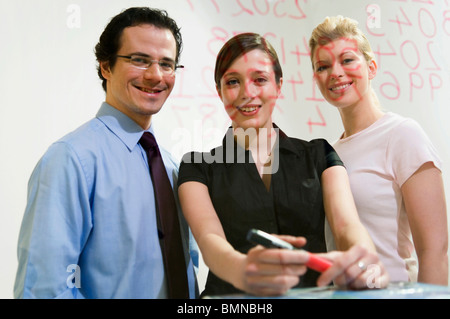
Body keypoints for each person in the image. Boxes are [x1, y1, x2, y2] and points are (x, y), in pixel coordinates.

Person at [177, 32, 389, 297]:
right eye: (233, 81)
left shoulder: (319, 153)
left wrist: (364, 260)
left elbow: (347, 226)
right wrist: (242, 269)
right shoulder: (197, 167)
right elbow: (210, 240)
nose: (247, 93)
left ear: (278, 85)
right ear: (219, 92)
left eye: (260, 79)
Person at [14, 7, 197, 299]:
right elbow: (46, 289)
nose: (155, 75)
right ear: (105, 66)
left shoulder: (172, 167)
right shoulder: (71, 159)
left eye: (167, 63)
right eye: (139, 60)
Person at [309, 16, 448, 285]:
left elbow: (435, 252)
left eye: (347, 60)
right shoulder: (329, 154)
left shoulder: (403, 135)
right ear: (316, 78)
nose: (336, 72)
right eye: (323, 66)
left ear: (371, 67)